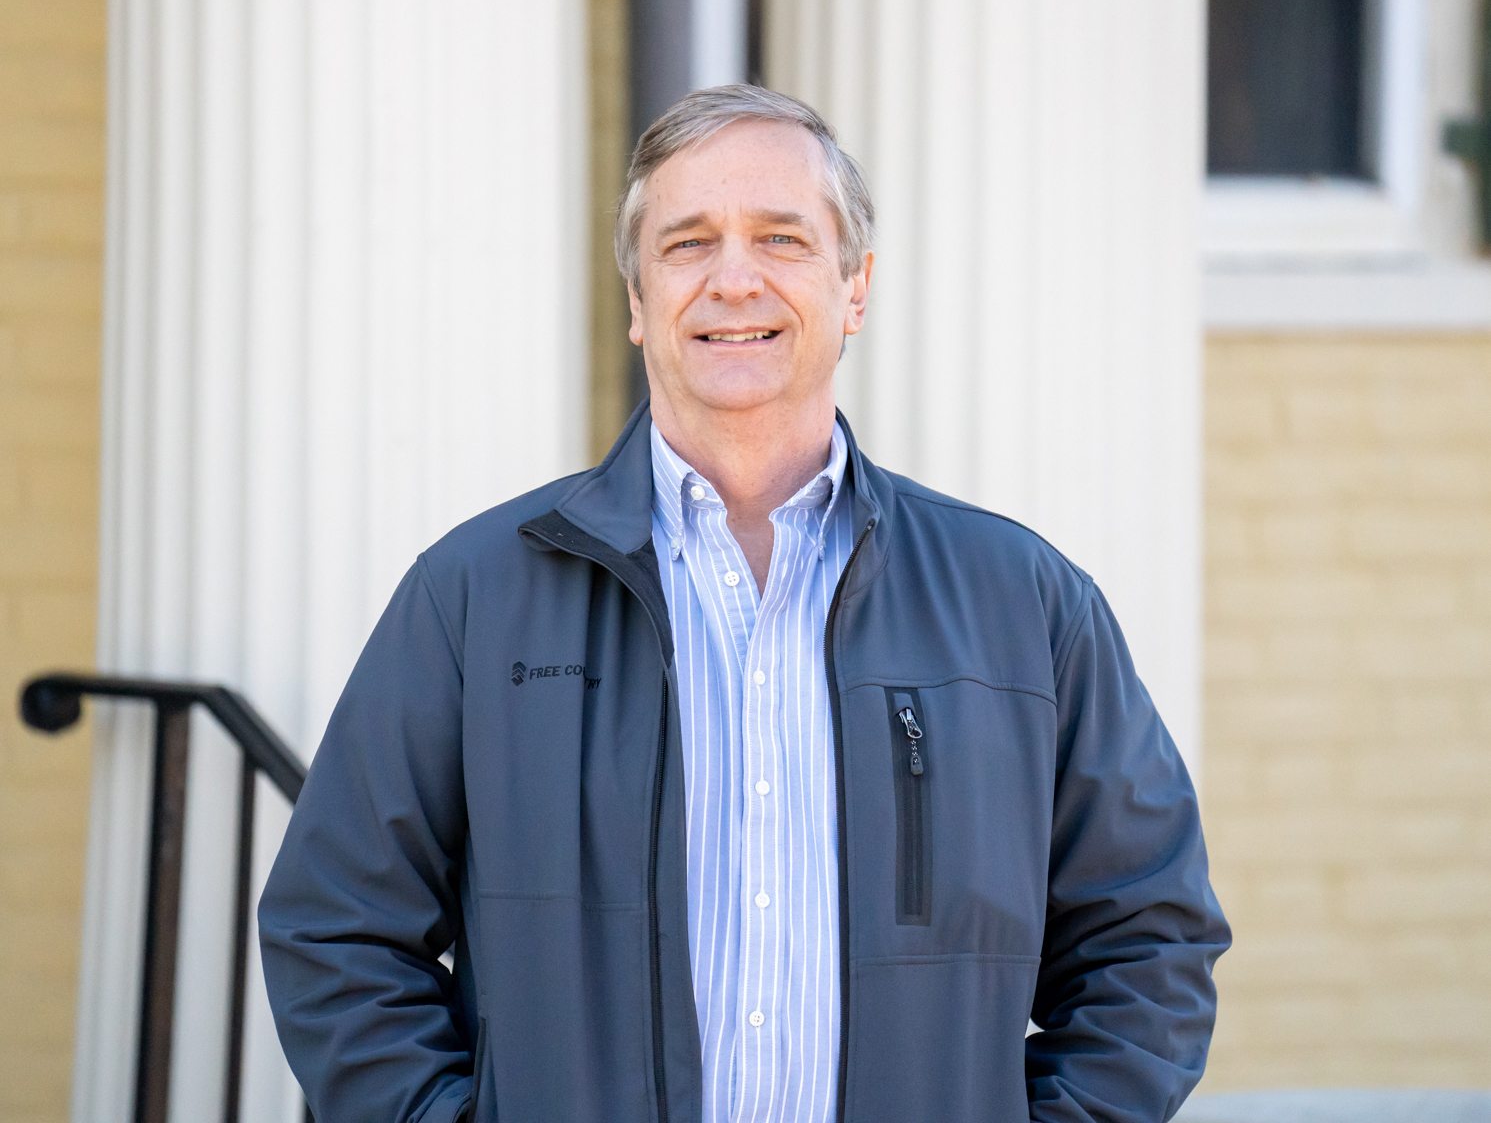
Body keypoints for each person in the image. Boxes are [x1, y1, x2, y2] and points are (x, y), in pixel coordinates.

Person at [259, 84, 1230, 1123]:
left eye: (782, 238)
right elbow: (337, 928)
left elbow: (1150, 943)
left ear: (855, 288)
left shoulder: (1026, 607)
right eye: (687, 243)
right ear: (636, 301)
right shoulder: (473, 599)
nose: (734, 279)